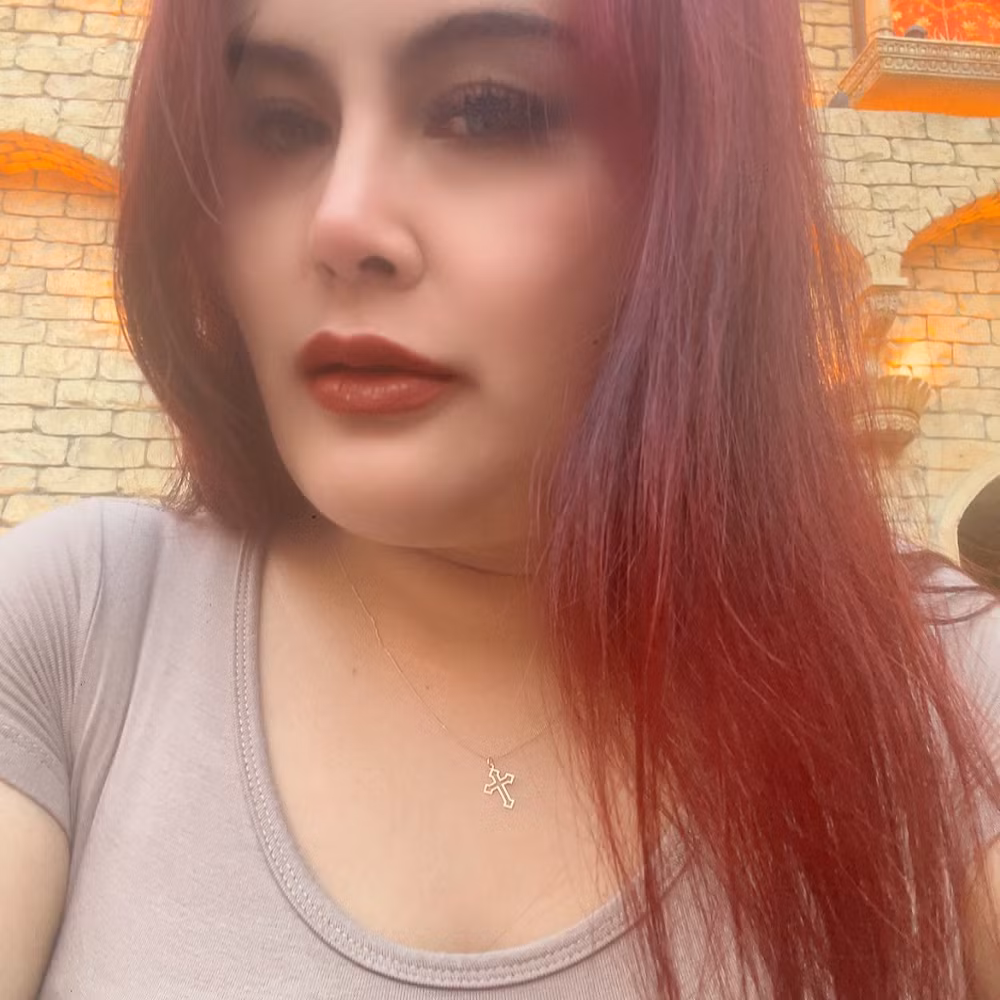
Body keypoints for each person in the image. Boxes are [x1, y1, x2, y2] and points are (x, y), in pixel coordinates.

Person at [2, 0, 1000, 997]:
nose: (340, 223)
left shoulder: (943, 693)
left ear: (697, 188)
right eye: (281, 123)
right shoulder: (83, 627)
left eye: (486, 112)